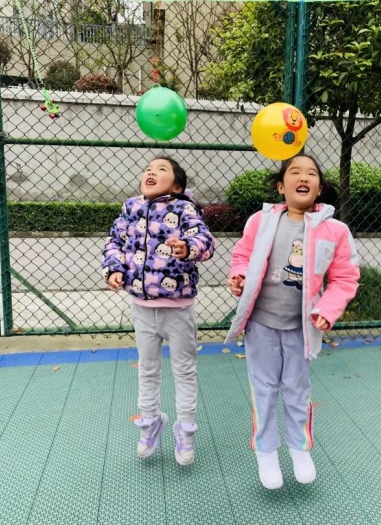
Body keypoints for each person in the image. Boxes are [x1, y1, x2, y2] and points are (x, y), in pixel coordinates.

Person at [226, 155, 360, 489]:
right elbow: (242, 255)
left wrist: (327, 309)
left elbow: (345, 278)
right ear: (280, 186)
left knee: (297, 390)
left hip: (301, 328)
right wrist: (239, 276)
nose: (303, 177)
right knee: (264, 389)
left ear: (319, 188)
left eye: (311, 173)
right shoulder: (261, 221)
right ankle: (266, 451)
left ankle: (299, 448)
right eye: (295, 172)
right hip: (261, 325)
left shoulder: (336, 230)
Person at [103, 156, 215, 466]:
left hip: (178, 309)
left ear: (177, 186)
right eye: (148, 168)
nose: (151, 171)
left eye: (161, 169)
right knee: (147, 367)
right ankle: (150, 422)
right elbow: (114, 241)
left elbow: (204, 240)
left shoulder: (184, 209)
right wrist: (115, 269)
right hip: (142, 308)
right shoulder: (131, 207)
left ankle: (186, 429)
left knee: (184, 369)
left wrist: (188, 248)